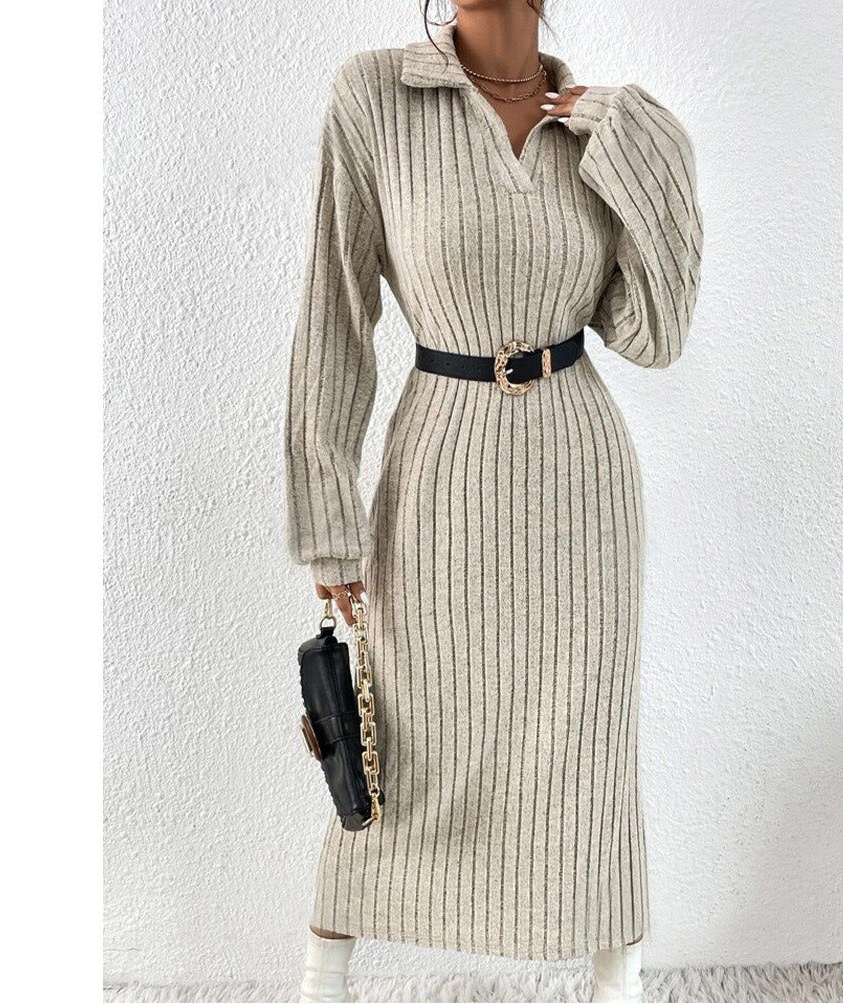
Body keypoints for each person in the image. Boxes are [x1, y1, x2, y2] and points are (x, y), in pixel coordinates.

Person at [283, 2, 702, 1000]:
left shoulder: (592, 129)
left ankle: (617, 980)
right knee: (408, 740)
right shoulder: (376, 95)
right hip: (439, 468)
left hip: (580, 480)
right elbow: (335, 312)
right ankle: (320, 977)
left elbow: (653, 334)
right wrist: (326, 515)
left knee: (584, 747)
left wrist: (644, 148)